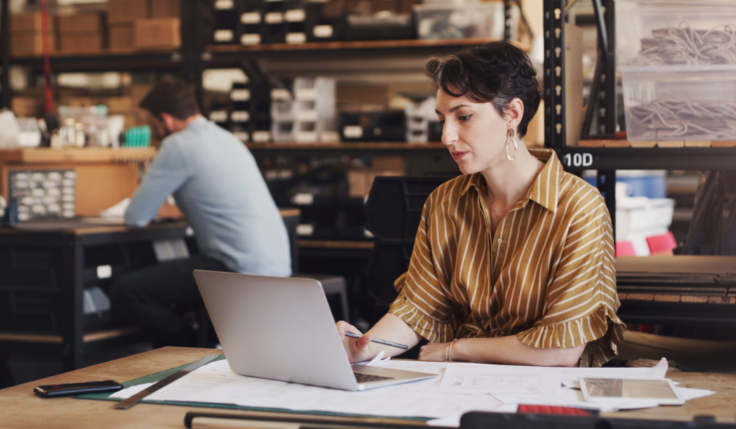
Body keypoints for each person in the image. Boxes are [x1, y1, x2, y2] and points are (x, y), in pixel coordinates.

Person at [337, 42, 625, 367]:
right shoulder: (444, 203)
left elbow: (560, 351)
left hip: (547, 397)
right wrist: (364, 346)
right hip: (461, 389)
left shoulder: (578, 208)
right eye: (443, 118)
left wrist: (454, 350)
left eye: (464, 116)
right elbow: (419, 309)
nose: (446, 136)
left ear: (512, 114)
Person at [109, 77, 291, 347]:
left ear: (166, 121)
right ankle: (199, 342)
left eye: (156, 124)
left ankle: (192, 347)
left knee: (125, 291)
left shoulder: (177, 145)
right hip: (277, 266)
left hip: (234, 268)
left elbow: (136, 217)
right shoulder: (227, 139)